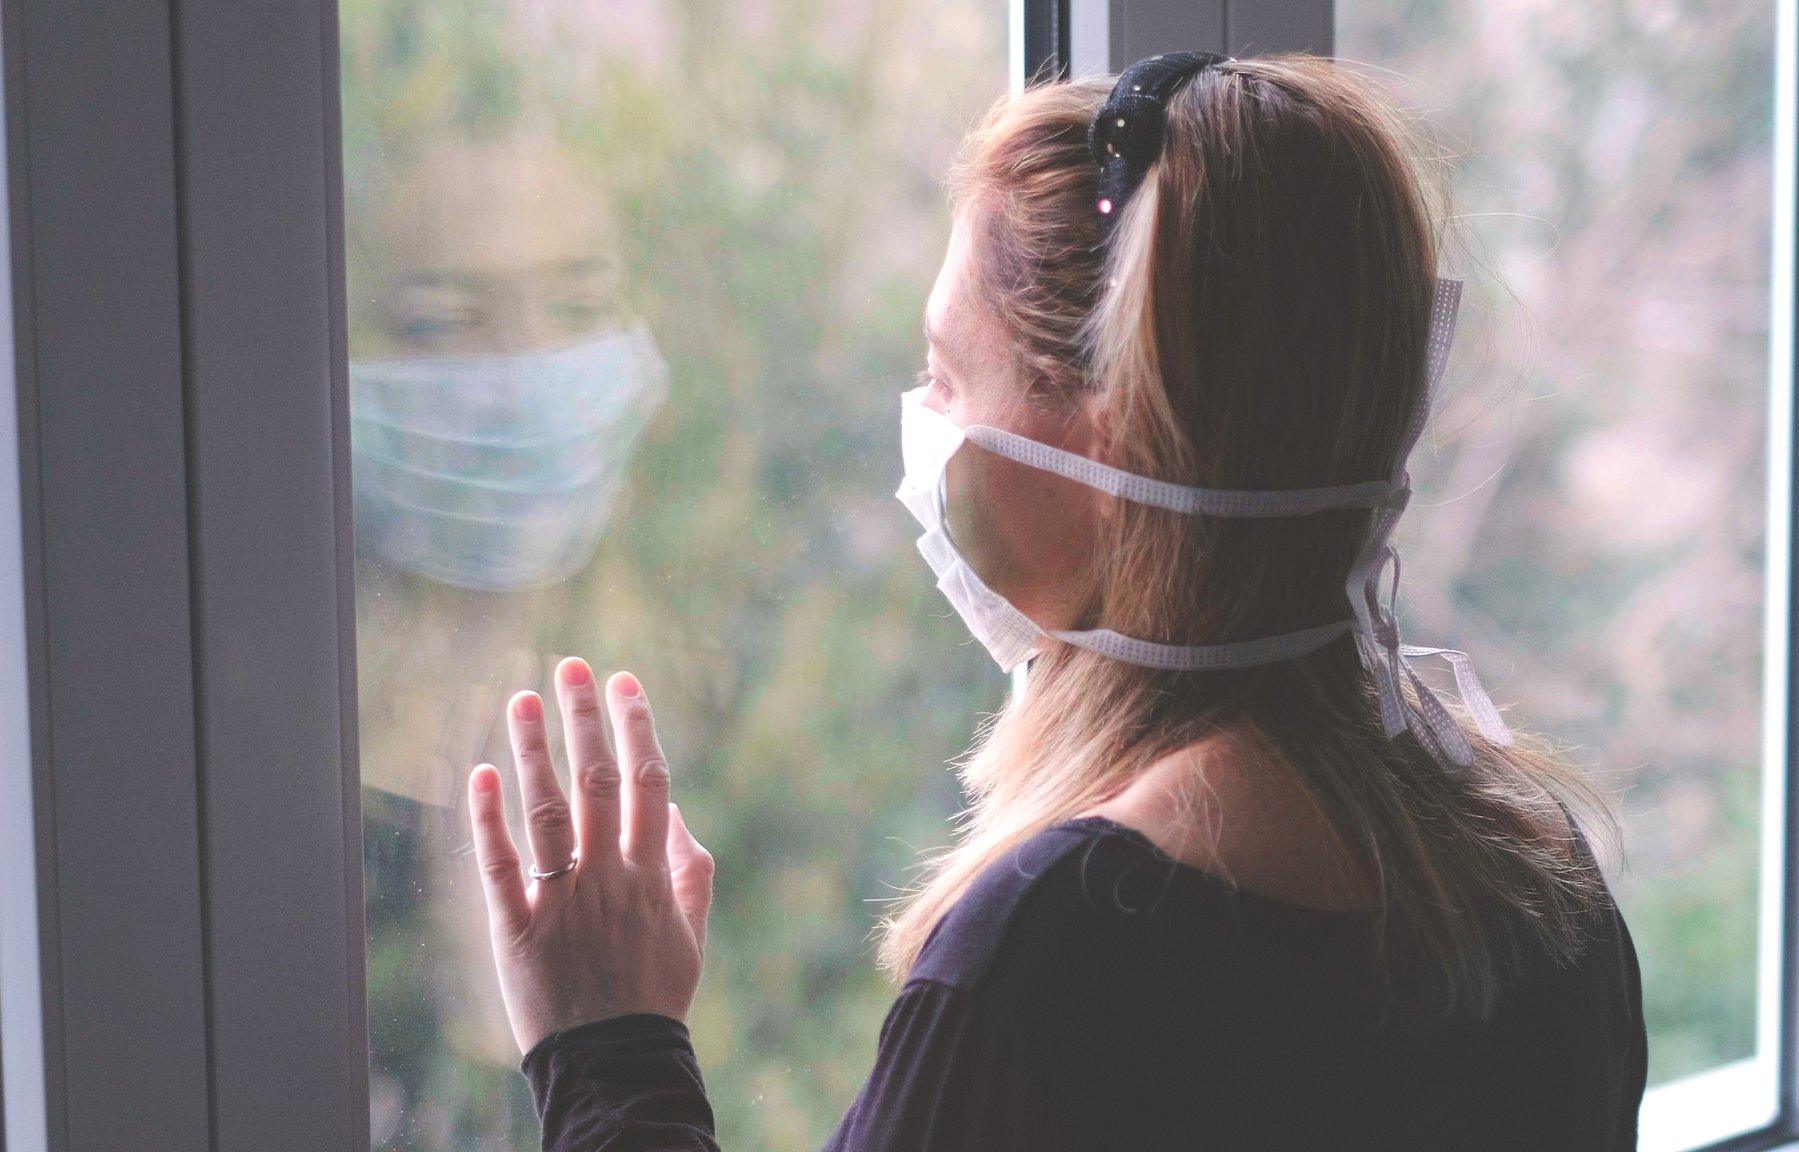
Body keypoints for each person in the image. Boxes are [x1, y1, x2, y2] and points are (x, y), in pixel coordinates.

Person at [465, 52, 1649, 1152]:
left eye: (945, 376)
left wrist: (607, 1046)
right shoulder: (1538, 875)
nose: (920, 425)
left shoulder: (1061, 955)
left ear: (1109, 435)